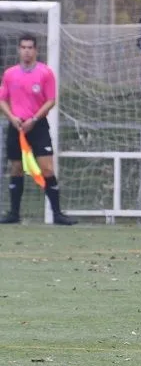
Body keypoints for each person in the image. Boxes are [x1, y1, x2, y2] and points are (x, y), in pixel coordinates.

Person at [0, 34, 75, 225]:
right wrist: (13, 118)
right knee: (16, 168)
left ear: (36, 50)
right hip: (16, 125)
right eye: (23, 47)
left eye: (30, 47)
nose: (26, 51)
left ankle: (57, 214)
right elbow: (2, 100)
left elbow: (51, 100)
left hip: (38, 125)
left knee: (47, 168)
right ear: (19, 49)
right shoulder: (10, 74)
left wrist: (34, 119)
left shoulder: (45, 73)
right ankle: (14, 214)